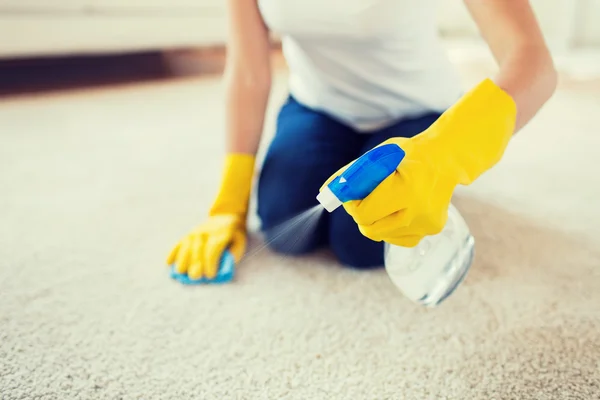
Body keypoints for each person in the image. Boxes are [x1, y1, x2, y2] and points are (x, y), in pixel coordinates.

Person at [166, 0, 557, 280]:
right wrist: (227, 205)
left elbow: (532, 60)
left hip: (416, 114)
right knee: (283, 225)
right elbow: (248, 71)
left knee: (361, 243)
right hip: (319, 105)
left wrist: (446, 153)